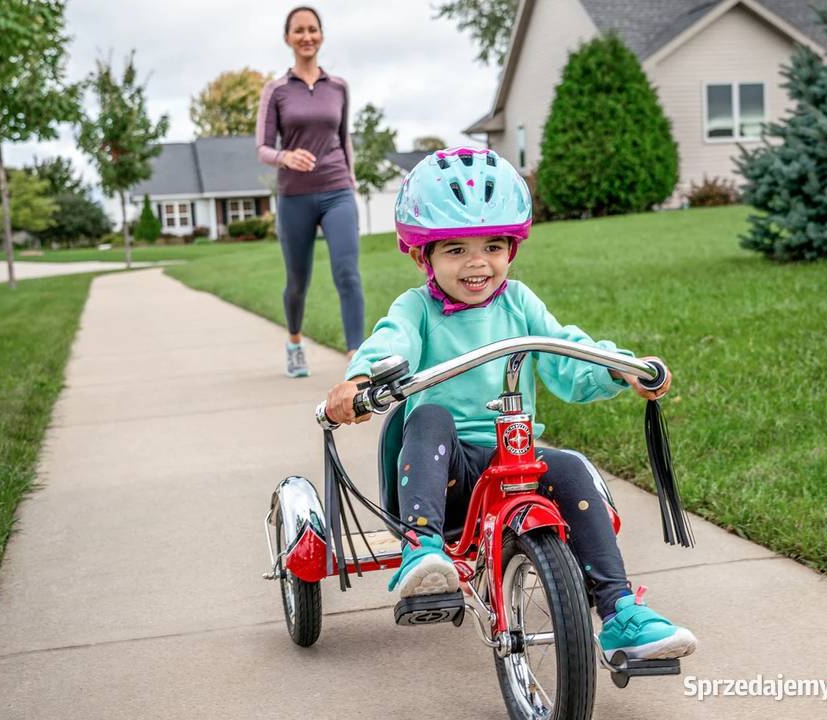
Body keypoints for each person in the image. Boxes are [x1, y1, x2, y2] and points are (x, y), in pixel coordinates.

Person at [325, 148, 697, 662]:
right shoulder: (417, 308)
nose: (477, 262)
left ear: (512, 248)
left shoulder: (520, 302)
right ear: (421, 256)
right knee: (429, 416)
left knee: (571, 469)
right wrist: (361, 380)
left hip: (512, 458)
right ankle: (423, 550)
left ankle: (619, 610)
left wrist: (618, 367)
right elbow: (393, 339)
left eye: (493, 246)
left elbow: (566, 350)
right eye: (455, 249)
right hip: (448, 471)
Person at [256, 5, 364, 378]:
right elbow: (262, 147)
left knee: (348, 272)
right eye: (299, 30)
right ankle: (294, 342)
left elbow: (343, 138)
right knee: (297, 281)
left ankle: (357, 355)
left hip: (337, 189)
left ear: (322, 35)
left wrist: (350, 180)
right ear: (288, 38)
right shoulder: (276, 90)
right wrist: (285, 157)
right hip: (295, 196)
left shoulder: (338, 87)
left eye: (313, 29)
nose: (307, 37)